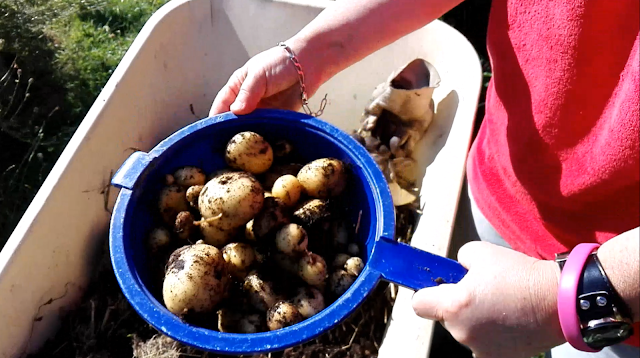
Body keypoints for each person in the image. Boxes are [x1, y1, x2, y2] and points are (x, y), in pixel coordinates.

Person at [208, 0, 640, 357]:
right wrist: (313, 52)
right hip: (501, 185)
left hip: (616, 301)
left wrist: (566, 296)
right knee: (467, 324)